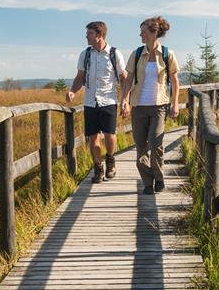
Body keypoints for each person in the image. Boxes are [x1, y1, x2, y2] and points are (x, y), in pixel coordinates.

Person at [121, 16, 180, 195]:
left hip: (159, 106)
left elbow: (176, 82)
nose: (140, 35)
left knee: (156, 143)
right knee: (141, 146)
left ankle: (159, 178)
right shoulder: (137, 54)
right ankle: (147, 182)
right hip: (139, 105)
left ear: (154, 33)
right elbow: (129, 79)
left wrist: (175, 103)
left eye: (143, 32)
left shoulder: (167, 54)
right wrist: (124, 100)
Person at [66, 21, 129, 183]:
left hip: (108, 100)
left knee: (110, 134)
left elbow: (124, 79)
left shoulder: (114, 54)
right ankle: (98, 168)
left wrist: (125, 100)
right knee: (93, 137)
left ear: (99, 35)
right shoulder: (85, 54)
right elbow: (80, 77)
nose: (86, 36)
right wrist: (73, 91)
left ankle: (110, 160)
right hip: (90, 102)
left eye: (90, 33)